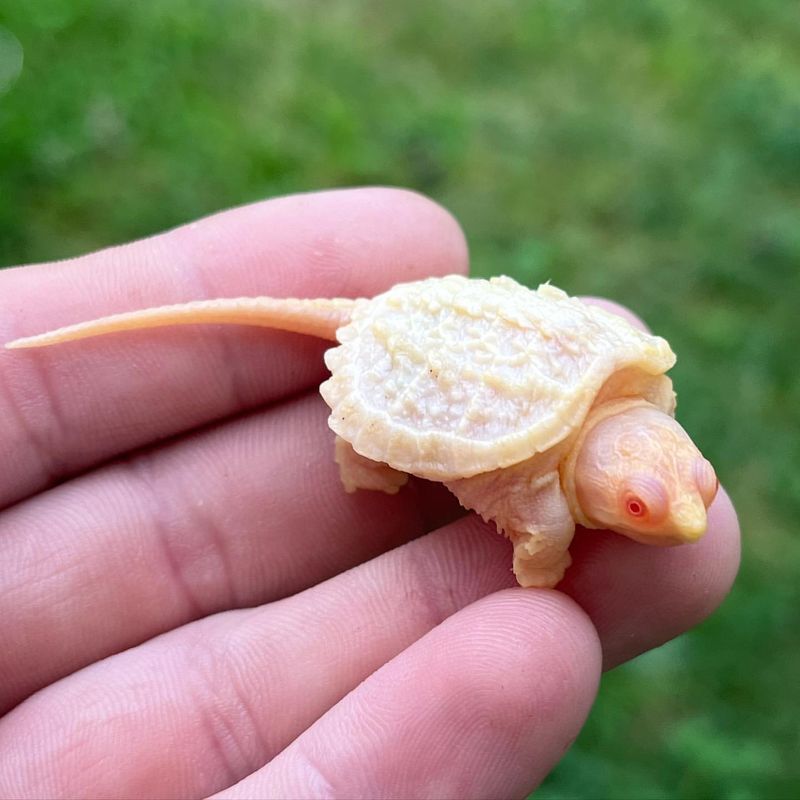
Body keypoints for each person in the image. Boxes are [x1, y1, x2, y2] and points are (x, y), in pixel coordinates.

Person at [0, 188, 739, 799]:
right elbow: (542, 538)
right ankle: (360, 453)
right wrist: (540, 566)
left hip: (477, 346)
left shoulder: (631, 387)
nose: (687, 518)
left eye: (688, 487)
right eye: (641, 505)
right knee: (373, 453)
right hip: (424, 354)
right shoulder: (553, 496)